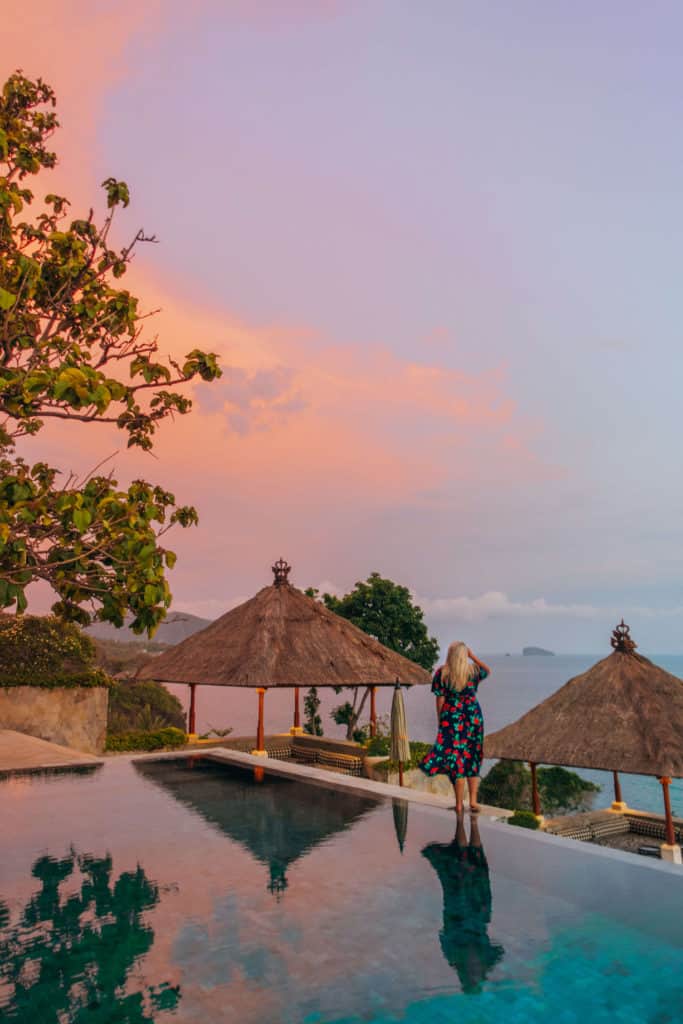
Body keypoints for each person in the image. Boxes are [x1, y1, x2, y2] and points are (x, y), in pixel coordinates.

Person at [421, 815, 504, 994]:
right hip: (479, 910)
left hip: (459, 908)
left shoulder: (453, 956)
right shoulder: (485, 960)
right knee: (478, 866)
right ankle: (472, 827)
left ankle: (463, 832)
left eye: (473, 977)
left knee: (461, 869)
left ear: (466, 977)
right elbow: (499, 951)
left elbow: (445, 933)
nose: (476, 972)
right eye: (478, 976)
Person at [419, 642, 491, 813]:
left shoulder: (442, 673)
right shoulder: (472, 671)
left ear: (450, 655)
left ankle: (459, 804)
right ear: (464, 655)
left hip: (452, 718)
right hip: (473, 717)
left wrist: (440, 719)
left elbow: (440, 699)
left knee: (456, 760)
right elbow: (487, 671)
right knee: (473, 756)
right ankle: (473, 801)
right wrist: (472, 656)